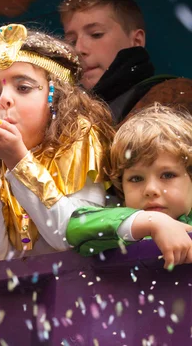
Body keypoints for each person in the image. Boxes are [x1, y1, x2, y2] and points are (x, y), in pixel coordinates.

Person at [0, 24, 114, 263]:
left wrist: (18, 160)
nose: (5, 100)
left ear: (55, 97)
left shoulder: (80, 135)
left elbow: (70, 238)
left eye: (23, 88)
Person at [67, 105, 192, 269]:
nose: (150, 190)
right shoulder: (123, 222)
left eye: (167, 175)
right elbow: (76, 227)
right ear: (121, 186)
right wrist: (152, 222)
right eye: (136, 178)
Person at [60, 0, 192, 123]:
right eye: (72, 41)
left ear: (136, 40)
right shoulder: (71, 121)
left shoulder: (175, 97)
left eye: (96, 34)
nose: (79, 49)